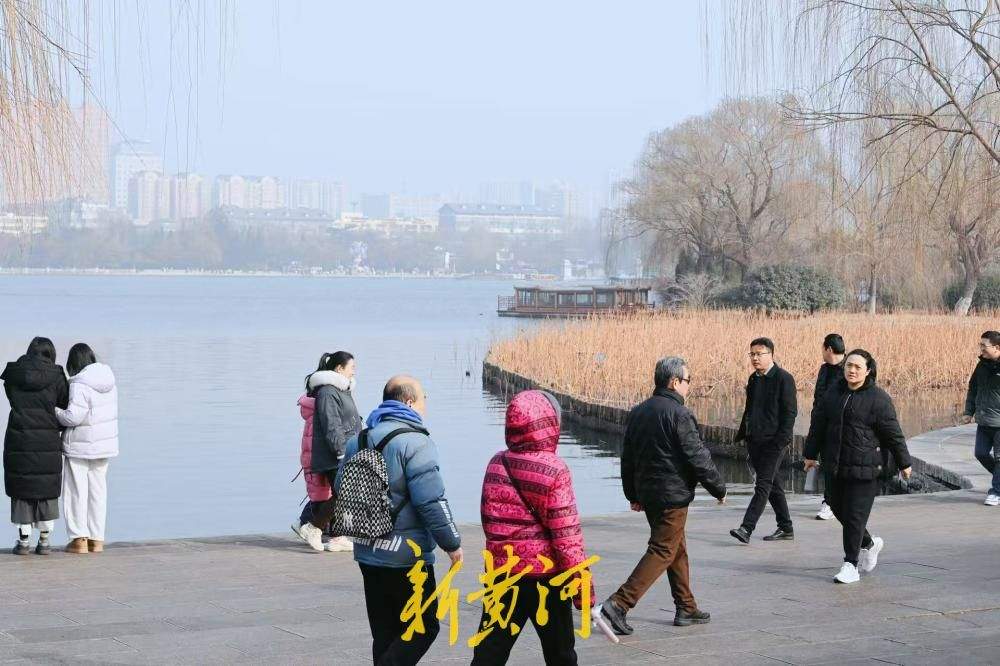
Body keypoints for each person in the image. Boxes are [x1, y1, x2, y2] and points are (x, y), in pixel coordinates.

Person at [335, 375, 462, 665]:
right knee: (423, 627)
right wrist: (451, 543)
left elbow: (341, 488)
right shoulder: (416, 443)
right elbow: (431, 500)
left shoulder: (360, 439)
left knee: (385, 633)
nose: (425, 404)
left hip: (367, 550)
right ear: (408, 402)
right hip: (407, 556)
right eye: (423, 397)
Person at [600, 357, 727, 636]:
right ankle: (618, 604)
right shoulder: (679, 414)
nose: (689, 387)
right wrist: (718, 488)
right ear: (674, 382)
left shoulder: (638, 412)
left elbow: (628, 459)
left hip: (650, 495)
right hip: (673, 497)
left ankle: (686, 607)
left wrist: (632, 494)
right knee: (663, 549)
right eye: (687, 381)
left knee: (675, 547)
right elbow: (697, 457)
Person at [472, 390, 591, 665]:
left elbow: (488, 520)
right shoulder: (555, 469)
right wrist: (583, 592)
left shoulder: (496, 463)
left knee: (489, 652)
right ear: (549, 424)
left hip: (503, 573)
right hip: (545, 577)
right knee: (560, 654)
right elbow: (567, 537)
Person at [804, 349, 913, 584]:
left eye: (857, 367)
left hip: (865, 467)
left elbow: (893, 433)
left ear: (868, 370)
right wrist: (810, 454)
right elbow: (818, 425)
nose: (852, 371)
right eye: (848, 366)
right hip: (836, 464)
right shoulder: (834, 394)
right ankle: (868, 543)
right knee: (835, 504)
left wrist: (904, 462)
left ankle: (850, 565)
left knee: (854, 516)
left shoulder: (878, 399)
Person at [2, 337, 69, 555]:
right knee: (45, 487)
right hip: (47, 438)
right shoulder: (56, 375)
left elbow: (11, 397)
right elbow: (65, 402)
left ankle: (23, 542)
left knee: (22, 489)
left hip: (19, 436)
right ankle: (45, 540)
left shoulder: (15, 373)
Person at [730, 337, 797, 544]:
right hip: (755, 441)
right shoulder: (754, 379)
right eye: (752, 354)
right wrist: (744, 434)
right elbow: (750, 410)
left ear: (771, 354)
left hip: (774, 443)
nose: (755, 358)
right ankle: (786, 527)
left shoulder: (784, 379)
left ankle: (746, 528)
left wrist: (781, 441)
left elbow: (790, 413)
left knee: (763, 485)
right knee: (773, 484)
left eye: (760, 354)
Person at [293, 351, 361, 552]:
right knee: (344, 492)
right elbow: (331, 424)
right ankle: (312, 527)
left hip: (343, 449)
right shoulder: (328, 392)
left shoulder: (341, 390)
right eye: (352, 368)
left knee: (341, 493)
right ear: (339, 369)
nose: (354, 372)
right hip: (333, 454)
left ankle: (337, 537)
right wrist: (341, 452)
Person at [55, 343, 119, 554]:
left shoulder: (79, 384)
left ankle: (79, 539)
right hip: (104, 446)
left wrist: (54, 411)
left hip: (80, 447)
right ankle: (96, 539)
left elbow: (74, 416)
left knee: (75, 492)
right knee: (98, 492)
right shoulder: (109, 381)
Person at [960, 330, 1000, 506]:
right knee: (981, 453)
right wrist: (969, 412)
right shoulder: (981, 366)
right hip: (984, 420)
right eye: (980, 345)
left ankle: (996, 492)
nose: (981, 348)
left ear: (997, 348)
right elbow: (973, 388)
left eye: (984, 345)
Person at [813, 333, 846, 520]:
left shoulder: (849, 369)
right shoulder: (824, 369)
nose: (822, 352)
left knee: (838, 466)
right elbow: (818, 399)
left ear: (829, 349)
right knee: (828, 465)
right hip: (823, 425)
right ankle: (830, 501)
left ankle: (832, 502)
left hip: (840, 427)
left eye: (822, 348)